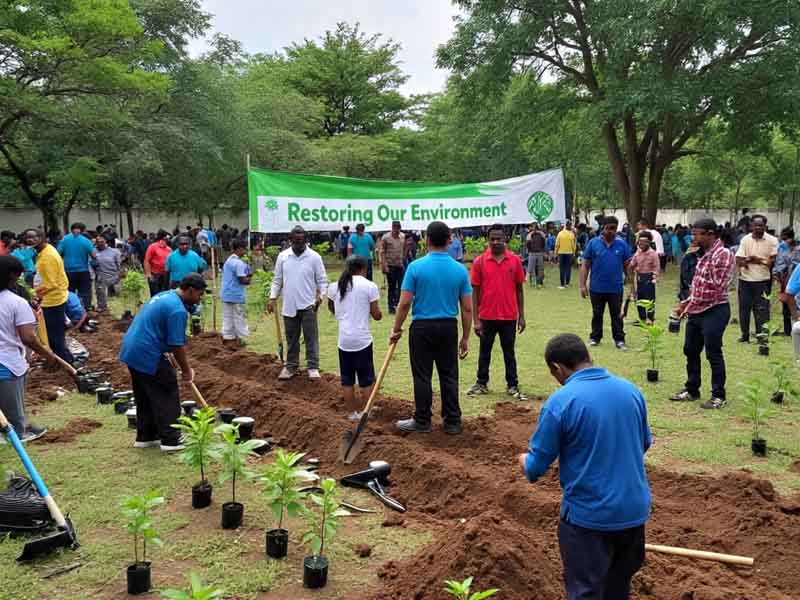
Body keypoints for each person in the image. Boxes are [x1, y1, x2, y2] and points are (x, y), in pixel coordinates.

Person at [518, 333, 651, 600]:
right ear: (589, 357)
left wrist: (522, 460)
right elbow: (644, 443)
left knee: (584, 593)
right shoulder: (631, 391)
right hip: (634, 512)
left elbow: (535, 468)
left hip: (589, 518)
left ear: (557, 368)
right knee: (618, 589)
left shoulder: (561, 401)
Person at [389, 221, 472, 435]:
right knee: (449, 374)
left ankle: (422, 420)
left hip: (422, 328)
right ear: (449, 241)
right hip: (448, 327)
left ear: (426, 240)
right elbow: (467, 308)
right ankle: (452, 421)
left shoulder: (415, 267)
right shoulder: (460, 270)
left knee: (422, 375)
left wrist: (396, 328)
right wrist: (465, 337)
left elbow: (404, 303)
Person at [119, 273, 206, 452]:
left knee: (145, 395)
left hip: (132, 350)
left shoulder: (164, 295)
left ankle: (147, 436)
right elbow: (176, 345)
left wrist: (171, 357)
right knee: (167, 390)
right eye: (199, 294)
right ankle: (171, 440)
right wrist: (186, 370)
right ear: (190, 290)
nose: (200, 299)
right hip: (146, 352)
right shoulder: (178, 310)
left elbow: (161, 332)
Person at [0, 256, 68, 442]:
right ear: (13, 276)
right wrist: (49, 355)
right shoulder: (16, 302)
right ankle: (19, 433)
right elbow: (28, 337)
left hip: (7, 362)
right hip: (7, 363)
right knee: (14, 411)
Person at [671, 217, 734, 410]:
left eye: (696, 234)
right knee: (690, 350)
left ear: (710, 234)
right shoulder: (702, 255)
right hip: (696, 309)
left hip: (715, 309)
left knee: (713, 352)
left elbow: (718, 285)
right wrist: (685, 304)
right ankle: (692, 389)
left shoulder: (723, 254)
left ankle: (718, 395)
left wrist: (708, 260)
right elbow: (697, 286)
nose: (693, 237)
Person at [466, 224, 526, 399]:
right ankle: (481, 382)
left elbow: (519, 289)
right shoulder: (480, 262)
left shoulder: (514, 260)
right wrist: (476, 320)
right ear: (488, 240)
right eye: (492, 239)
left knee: (509, 352)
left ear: (505, 238)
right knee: (484, 352)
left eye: (499, 238)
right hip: (486, 316)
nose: (496, 242)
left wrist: (522, 316)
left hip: (509, 316)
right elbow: (475, 292)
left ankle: (512, 384)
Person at [268, 226, 328, 380]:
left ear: (306, 240)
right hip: (289, 305)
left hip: (309, 305)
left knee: (310, 338)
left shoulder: (314, 257)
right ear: (290, 241)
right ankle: (291, 366)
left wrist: (320, 296)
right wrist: (272, 297)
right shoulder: (283, 257)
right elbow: (277, 280)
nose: (299, 244)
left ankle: (313, 367)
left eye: (302, 241)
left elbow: (322, 281)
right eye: (296, 241)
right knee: (291, 339)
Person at [327, 255, 382, 410]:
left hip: (343, 340)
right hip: (362, 340)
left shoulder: (335, 286)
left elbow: (331, 307)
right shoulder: (369, 286)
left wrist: (342, 314)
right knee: (366, 378)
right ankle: (367, 410)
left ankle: (352, 413)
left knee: (347, 379)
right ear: (364, 269)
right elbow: (376, 315)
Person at [580, 216, 632, 349]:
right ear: (603, 228)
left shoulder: (622, 244)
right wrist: (582, 285)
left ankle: (619, 340)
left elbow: (628, 266)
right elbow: (585, 265)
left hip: (616, 288)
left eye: (614, 228)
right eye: (609, 228)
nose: (611, 231)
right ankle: (595, 338)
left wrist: (632, 286)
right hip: (596, 287)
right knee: (597, 314)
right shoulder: (593, 243)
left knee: (617, 315)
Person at [23, 228, 72, 364]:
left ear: (42, 238)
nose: (30, 240)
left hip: (52, 301)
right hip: (50, 298)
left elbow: (51, 284)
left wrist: (35, 295)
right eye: (27, 237)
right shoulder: (44, 252)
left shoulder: (48, 256)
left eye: (33, 237)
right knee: (52, 335)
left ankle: (66, 364)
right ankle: (62, 361)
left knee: (54, 336)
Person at [735, 215, 778, 342]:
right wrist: (750, 260)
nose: (758, 228)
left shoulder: (772, 240)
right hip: (745, 280)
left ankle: (762, 336)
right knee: (744, 309)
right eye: (756, 225)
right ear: (751, 226)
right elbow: (739, 260)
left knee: (762, 310)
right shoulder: (745, 240)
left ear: (765, 226)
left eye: (761, 225)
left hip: (763, 281)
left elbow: (771, 262)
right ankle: (745, 335)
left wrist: (757, 260)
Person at [220, 239, 252, 347]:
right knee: (239, 317)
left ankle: (228, 337)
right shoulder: (239, 263)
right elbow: (243, 280)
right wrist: (250, 277)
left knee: (228, 317)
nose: (245, 251)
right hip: (236, 294)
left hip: (226, 294)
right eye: (244, 249)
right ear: (239, 249)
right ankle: (241, 338)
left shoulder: (228, 261)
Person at [57, 222, 96, 309]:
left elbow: (57, 254)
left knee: (69, 292)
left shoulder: (64, 240)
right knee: (85, 292)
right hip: (83, 271)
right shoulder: (86, 241)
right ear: (83, 230)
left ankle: (70, 309)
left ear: (71, 229)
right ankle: (86, 308)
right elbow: (94, 255)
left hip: (68, 271)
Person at [629, 231, 659, 323]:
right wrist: (631, 268)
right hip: (639, 278)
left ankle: (650, 318)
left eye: (644, 242)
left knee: (650, 299)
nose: (641, 244)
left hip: (649, 278)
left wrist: (654, 278)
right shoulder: (638, 253)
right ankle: (642, 318)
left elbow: (656, 268)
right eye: (640, 242)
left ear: (648, 242)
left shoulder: (653, 254)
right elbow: (632, 264)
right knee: (639, 298)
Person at [380, 221, 406, 314]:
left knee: (401, 286)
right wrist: (384, 265)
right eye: (395, 230)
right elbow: (382, 252)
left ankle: (398, 305)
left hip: (400, 265)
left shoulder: (402, 236)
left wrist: (404, 259)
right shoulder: (386, 238)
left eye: (398, 230)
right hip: (390, 265)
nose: (397, 232)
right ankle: (391, 307)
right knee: (392, 287)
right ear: (392, 228)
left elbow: (404, 249)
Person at [93, 236, 121, 312]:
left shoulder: (114, 251)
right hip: (100, 277)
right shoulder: (93, 251)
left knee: (116, 296)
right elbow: (90, 264)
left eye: (102, 241)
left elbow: (119, 265)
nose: (100, 243)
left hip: (113, 277)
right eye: (98, 242)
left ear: (106, 241)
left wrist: (119, 274)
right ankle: (102, 309)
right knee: (101, 295)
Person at [143, 230, 172, 297]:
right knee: (155, 294)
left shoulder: (169, 249)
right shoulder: (152, 247)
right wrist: (149, 274)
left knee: (164, 294)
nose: (168, 240)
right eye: (166, 238)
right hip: (155, 275)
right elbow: (147, 261)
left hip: (165, 275)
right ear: (162, 239)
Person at [555, 222, 577, 289]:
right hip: (569, 253)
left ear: (565, 226)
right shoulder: (572, 234)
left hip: (561, 253)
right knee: (568, 268)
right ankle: (567, 283)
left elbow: (557, 244)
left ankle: (562, 284)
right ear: (569, 226)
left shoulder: (560, 233)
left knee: (562, 269)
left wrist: (556, 253)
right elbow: (573, 245)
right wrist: (574, 253)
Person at [526, 223, 546, 287]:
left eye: (534, 227)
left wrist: (541, 249)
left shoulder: (541, 234)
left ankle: (539, 282)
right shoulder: (530, 235)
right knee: (532, 268)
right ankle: (534, 282)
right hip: (534, 253)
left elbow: (543, 242)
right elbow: (528, 243)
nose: (534, 228)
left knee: (539, 268)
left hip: (537, 252)